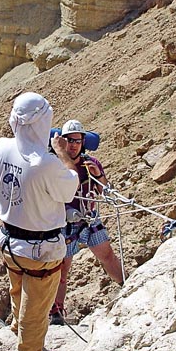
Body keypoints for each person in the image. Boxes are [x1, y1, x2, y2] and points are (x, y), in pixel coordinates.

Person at [0, 92, 79, 351]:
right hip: (42, 249)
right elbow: (70, 188)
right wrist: (62, 154)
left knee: (18, 290)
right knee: (37, 308)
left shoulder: (0, 147)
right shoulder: (48, 164)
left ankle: (19, 330)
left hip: (9, 242)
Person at [49, 119, 124, 325]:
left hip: (89, 218)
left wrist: (98, 175)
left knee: (107, 255)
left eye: (77, 140)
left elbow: (104, 191)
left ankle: (125, 286)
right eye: (69, 140)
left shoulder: (91, 164)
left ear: (83, 142)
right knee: (63, 268)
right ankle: (56, 310)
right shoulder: (55, 164)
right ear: (62, 142)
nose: (73, 144)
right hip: (65, 223)